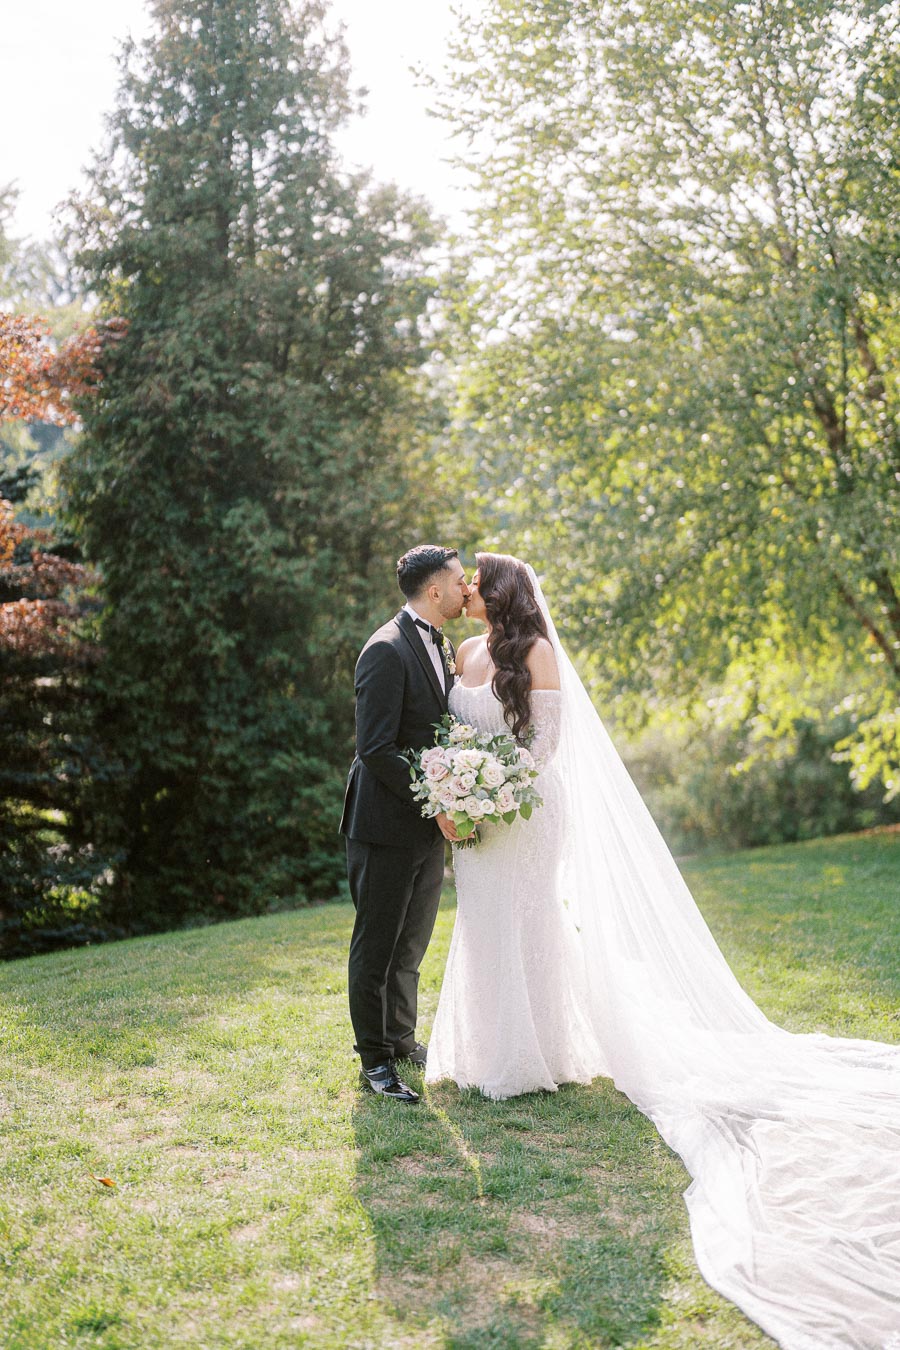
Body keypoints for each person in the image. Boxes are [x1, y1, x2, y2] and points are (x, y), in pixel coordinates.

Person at [426, 551, 900, 1350]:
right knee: (482, 927)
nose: (466, 588)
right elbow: (452, 732)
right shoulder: (462, 654)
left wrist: (495, 789)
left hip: (527, 814)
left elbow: (543, 749)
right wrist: (455, 793)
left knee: (533, 925)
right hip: (474, 828)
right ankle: (486, 1052)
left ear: (498, 592)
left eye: (476, 578)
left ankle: (538, 1052)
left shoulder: (535, 653)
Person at [340, 544, 469, 1103]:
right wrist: (435, 799)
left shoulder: (439, 643)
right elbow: (375, 749)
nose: (468, 589)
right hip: (384, 825)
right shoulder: (385, 650)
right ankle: (374, 1064)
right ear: (434, 590)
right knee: (377, 946)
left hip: (424, 826)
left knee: (411, 944)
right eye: (460, 581)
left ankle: (399, 1039)